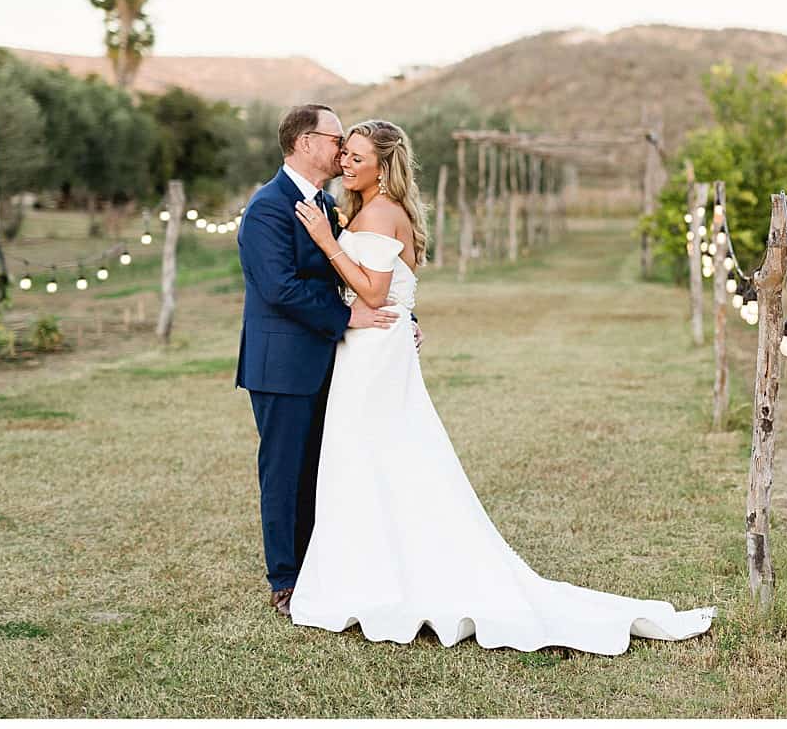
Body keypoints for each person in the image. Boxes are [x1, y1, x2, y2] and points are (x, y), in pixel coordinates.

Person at [287, 119, 714, 654]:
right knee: (380, 454)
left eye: (356, 156)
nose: (345, 163)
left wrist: (328, 243)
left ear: (383, 164)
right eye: (344, 153)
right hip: (377, 350)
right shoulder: (377, 210)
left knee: (370, 452)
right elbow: (395, 290)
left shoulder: (377, 212)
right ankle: (375, 568)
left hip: (373, 353)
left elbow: (373, 294)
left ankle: (373, 578)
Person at [235, 104, 419, 618]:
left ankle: (323, 566)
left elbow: (372, 269)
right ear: (305, 142)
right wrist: (349, 320)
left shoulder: (329, 202)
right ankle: (286, 580)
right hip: (283, 363)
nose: (342, 150)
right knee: (285, 471)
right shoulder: (268, 207)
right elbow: (279, 288)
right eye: (336, 139)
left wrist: (404, 314)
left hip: (334, 361)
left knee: (325, 469)